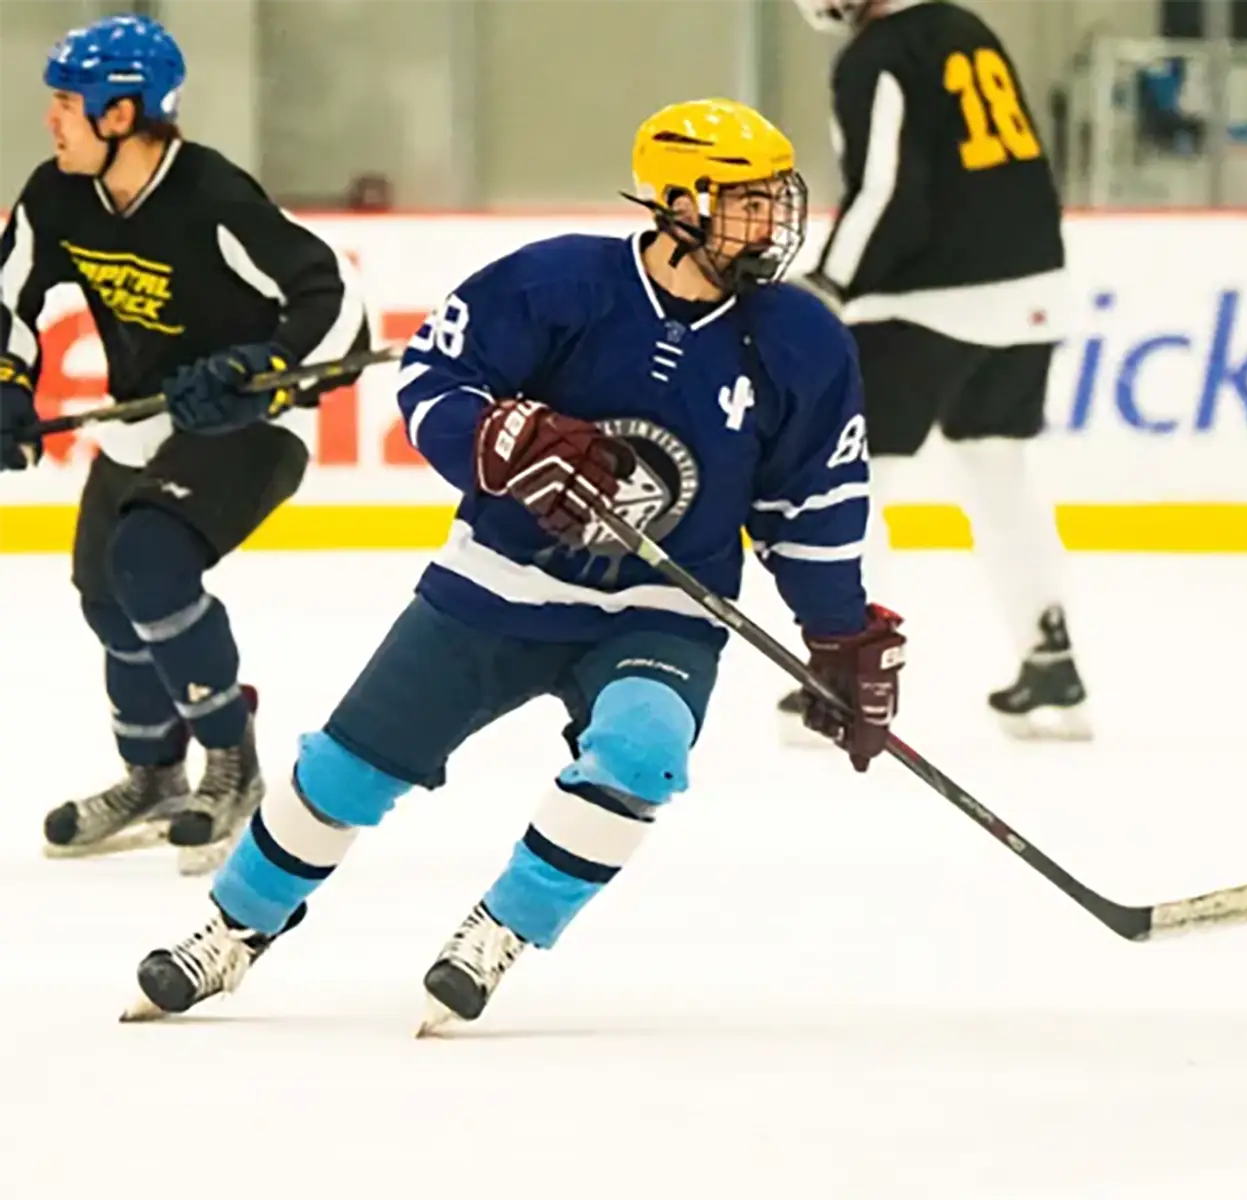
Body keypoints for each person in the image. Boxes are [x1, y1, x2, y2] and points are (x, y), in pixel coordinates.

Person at [121, 97, 906, 1029]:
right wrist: (494, 435)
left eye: (775, 198)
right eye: (746, 200)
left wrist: (837, 627)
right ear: (679, 203)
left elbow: (811, 497)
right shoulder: (557, 283)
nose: (772, 220)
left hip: (662, 608)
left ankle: (500, 929)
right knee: (342, 775)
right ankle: (232, 931)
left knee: (643, 752)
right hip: (496, 585)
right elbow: (430, 379)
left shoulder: (798, 339)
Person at [0, 14, 371, 874]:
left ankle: (231, 766)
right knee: (102, 590)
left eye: (65, 102)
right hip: (141, 416)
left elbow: (334, 302)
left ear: (120, 114)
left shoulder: (213, 197)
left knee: (149, 561)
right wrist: (9, 384)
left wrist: (264, 363)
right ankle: (153, 775)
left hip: (251, 424)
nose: (51, 120)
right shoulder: (57, 194)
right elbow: (8, 295)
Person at [779, 0, 1091, 741]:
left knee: (854, 480)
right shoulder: (965, 28)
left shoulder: (876, 53)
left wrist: (830, 284)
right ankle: (1050, 661)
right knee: (995, 468)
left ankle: (845, 676)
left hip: (927, 301)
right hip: (1030, 289)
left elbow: (884, 188)